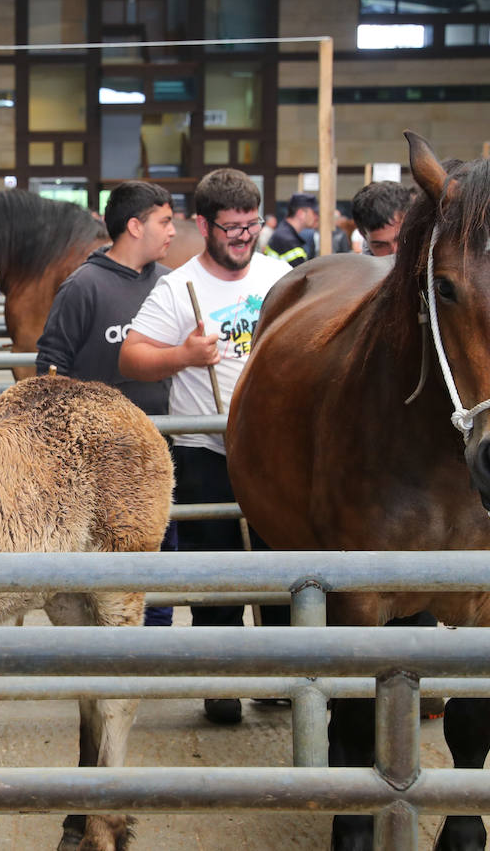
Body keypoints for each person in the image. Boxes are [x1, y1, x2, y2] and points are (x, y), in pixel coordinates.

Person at [118, 167, 293, 725]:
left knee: (279, 569)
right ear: (203, 224)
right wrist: (185, 357)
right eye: (231, 229)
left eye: (251, 227)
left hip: (272, 450)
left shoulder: (282, 277)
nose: (243, 239)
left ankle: (280, 676)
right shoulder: (176, 286)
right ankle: (221, 682)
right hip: (205, 448)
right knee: (217, 578)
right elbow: (132, 356)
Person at [35, 179, 179, 628]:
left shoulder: (169, 284)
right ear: (135, 226)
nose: (174, 231)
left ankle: (153, 644)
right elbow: (50, 366)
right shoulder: (83, 287)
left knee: (160, 551)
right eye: (165, 221)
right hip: (102, 461)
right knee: (105, 563)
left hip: (159, 449)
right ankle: (105, 654)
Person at [351, 181, 413, 257]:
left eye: (401, 240)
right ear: (362, 234)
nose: (394, 251)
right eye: (380, 246)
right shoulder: (359, 268)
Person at [266, 192, 318, 266]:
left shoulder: (284, 233)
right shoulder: (288, 240)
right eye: (314, 213)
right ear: (301, 213)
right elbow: (301, 275)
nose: (316, 217)